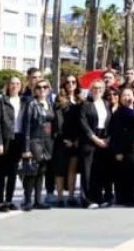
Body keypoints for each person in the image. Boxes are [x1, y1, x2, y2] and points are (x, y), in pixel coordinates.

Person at [21, 78, 56, 211]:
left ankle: (38, 200)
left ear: (49, 89)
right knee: (32, 171)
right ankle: (28, 200)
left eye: (45, 87)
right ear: (34, 90)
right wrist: (26, 148)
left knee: (41, 171)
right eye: (39, 87)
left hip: (47, 141)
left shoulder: (49, 103)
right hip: (35, 140)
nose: (42, 90)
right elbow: (27, 126)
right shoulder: (31, 104)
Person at [0, 76, 23, 212]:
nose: (14, 86)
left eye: (17, 83)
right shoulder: (1, 102)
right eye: (12, 83)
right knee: (1, 172)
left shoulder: (25, 101)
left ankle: (9, 200)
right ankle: (0, 201)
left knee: (13, 172)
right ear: (8, 86)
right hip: (5, 139)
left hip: (18, 139)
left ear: (21, 86)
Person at [78, 81, 112, 209]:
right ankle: (87, 199)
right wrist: (94, 138)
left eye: (100, 88)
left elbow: (110, 123)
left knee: (99, 171)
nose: (97, 90)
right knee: (87, 171)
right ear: (91, 90)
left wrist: (108, 138)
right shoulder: (85, 105)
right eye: (95, 88)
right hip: (89, 140)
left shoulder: (106, 104)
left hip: (103, 139)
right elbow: (83, 123)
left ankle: (98, 197)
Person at [52, 76, 82, 207]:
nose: (70, 84)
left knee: (72, 170)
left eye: (73, 82)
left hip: (76, 140)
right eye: (68, 82)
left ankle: (70, 196)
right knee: (60, 169)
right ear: (64, 84)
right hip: (62, 139)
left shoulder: (81, 100)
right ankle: (59, 197)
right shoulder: (59, 100)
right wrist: (65, 140)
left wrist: (76, 140)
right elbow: (58, 122)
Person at [108, 87, 134, 207]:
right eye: (124, 96)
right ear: (120, 98)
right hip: (122, 149)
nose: (127, 98)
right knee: (122, 175)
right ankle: (122, 198)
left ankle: (132, 197)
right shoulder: (118, 113)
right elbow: (115, 133)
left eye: (129, 95)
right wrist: (117, 151)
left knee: (132, 174)